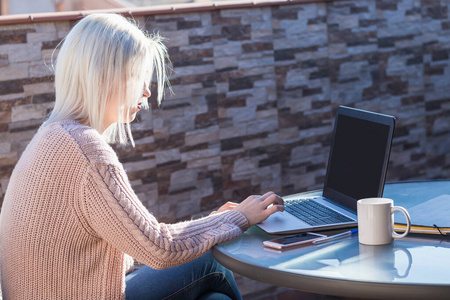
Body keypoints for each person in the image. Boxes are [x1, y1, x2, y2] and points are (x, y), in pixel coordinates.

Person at [0, 13, 284, 300]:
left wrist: (211, 224)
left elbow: (136, 242)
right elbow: (158, 248)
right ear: (106, 77)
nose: (147, 91)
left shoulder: (52, 137)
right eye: (138, 77)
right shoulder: (85, 151)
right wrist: (239, 218)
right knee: (210, 262)